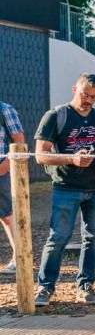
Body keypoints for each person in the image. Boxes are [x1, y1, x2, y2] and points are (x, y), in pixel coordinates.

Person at [32, 73, 95, 306]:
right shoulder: (56, 115)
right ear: (74, 89)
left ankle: (86, 286)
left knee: (94, 238)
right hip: (66, 187)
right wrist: (72, 159)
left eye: (94, 97)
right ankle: (44, 287)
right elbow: (41, 155)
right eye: (85, 94)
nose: (88, 100)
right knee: (58, 237)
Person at [0, 99, 25, 274]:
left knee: (7, 215)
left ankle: (20, 257)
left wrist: (5, 166)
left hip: (0, 171)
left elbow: (20, 143)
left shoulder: (5, 110)